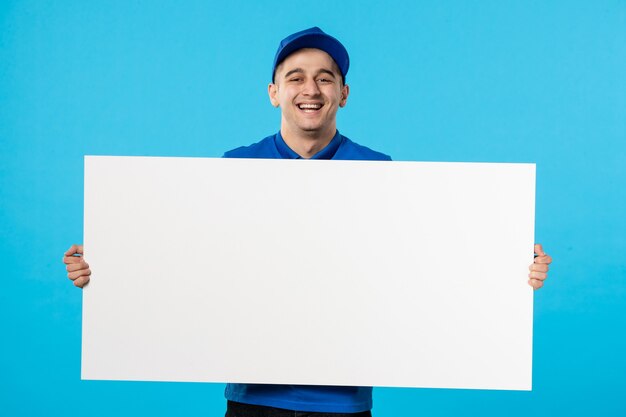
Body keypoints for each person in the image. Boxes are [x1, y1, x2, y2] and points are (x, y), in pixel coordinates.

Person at [63, 27, 553, 417]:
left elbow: (420, 270)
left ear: (344, 91)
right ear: (274, 92)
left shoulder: (379, 171)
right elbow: (188, 262)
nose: (310, 88)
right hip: (253, 398)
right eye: (295, 76)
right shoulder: (234, 167)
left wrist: (506, 271)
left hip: (343, 401)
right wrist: (106, 264)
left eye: (325, 77)